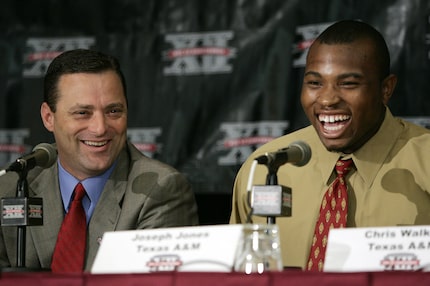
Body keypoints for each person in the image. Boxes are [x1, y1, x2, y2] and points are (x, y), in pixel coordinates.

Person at [230, 19, 430, 271]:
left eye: (348, 84)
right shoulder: (265, 168)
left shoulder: (425, 161)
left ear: (386, 89)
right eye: (314, 83)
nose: (327, 98)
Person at [0, 49, 199, 272]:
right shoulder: (11, 188)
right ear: (49, 117)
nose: (100, 128)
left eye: (113, 111)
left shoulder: (160, 189)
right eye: (83, 113)